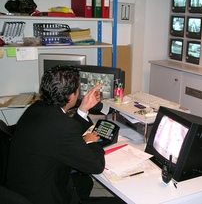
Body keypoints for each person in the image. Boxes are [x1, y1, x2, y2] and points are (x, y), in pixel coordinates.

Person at [5, 65, 125, 204]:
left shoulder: (36, 108)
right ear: (71, 96)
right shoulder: (63, 126)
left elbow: (59, 132)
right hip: (42, 197)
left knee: (84, 182)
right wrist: (91, 142)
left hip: (22, 189)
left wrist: (83, 108)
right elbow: (96, 166)